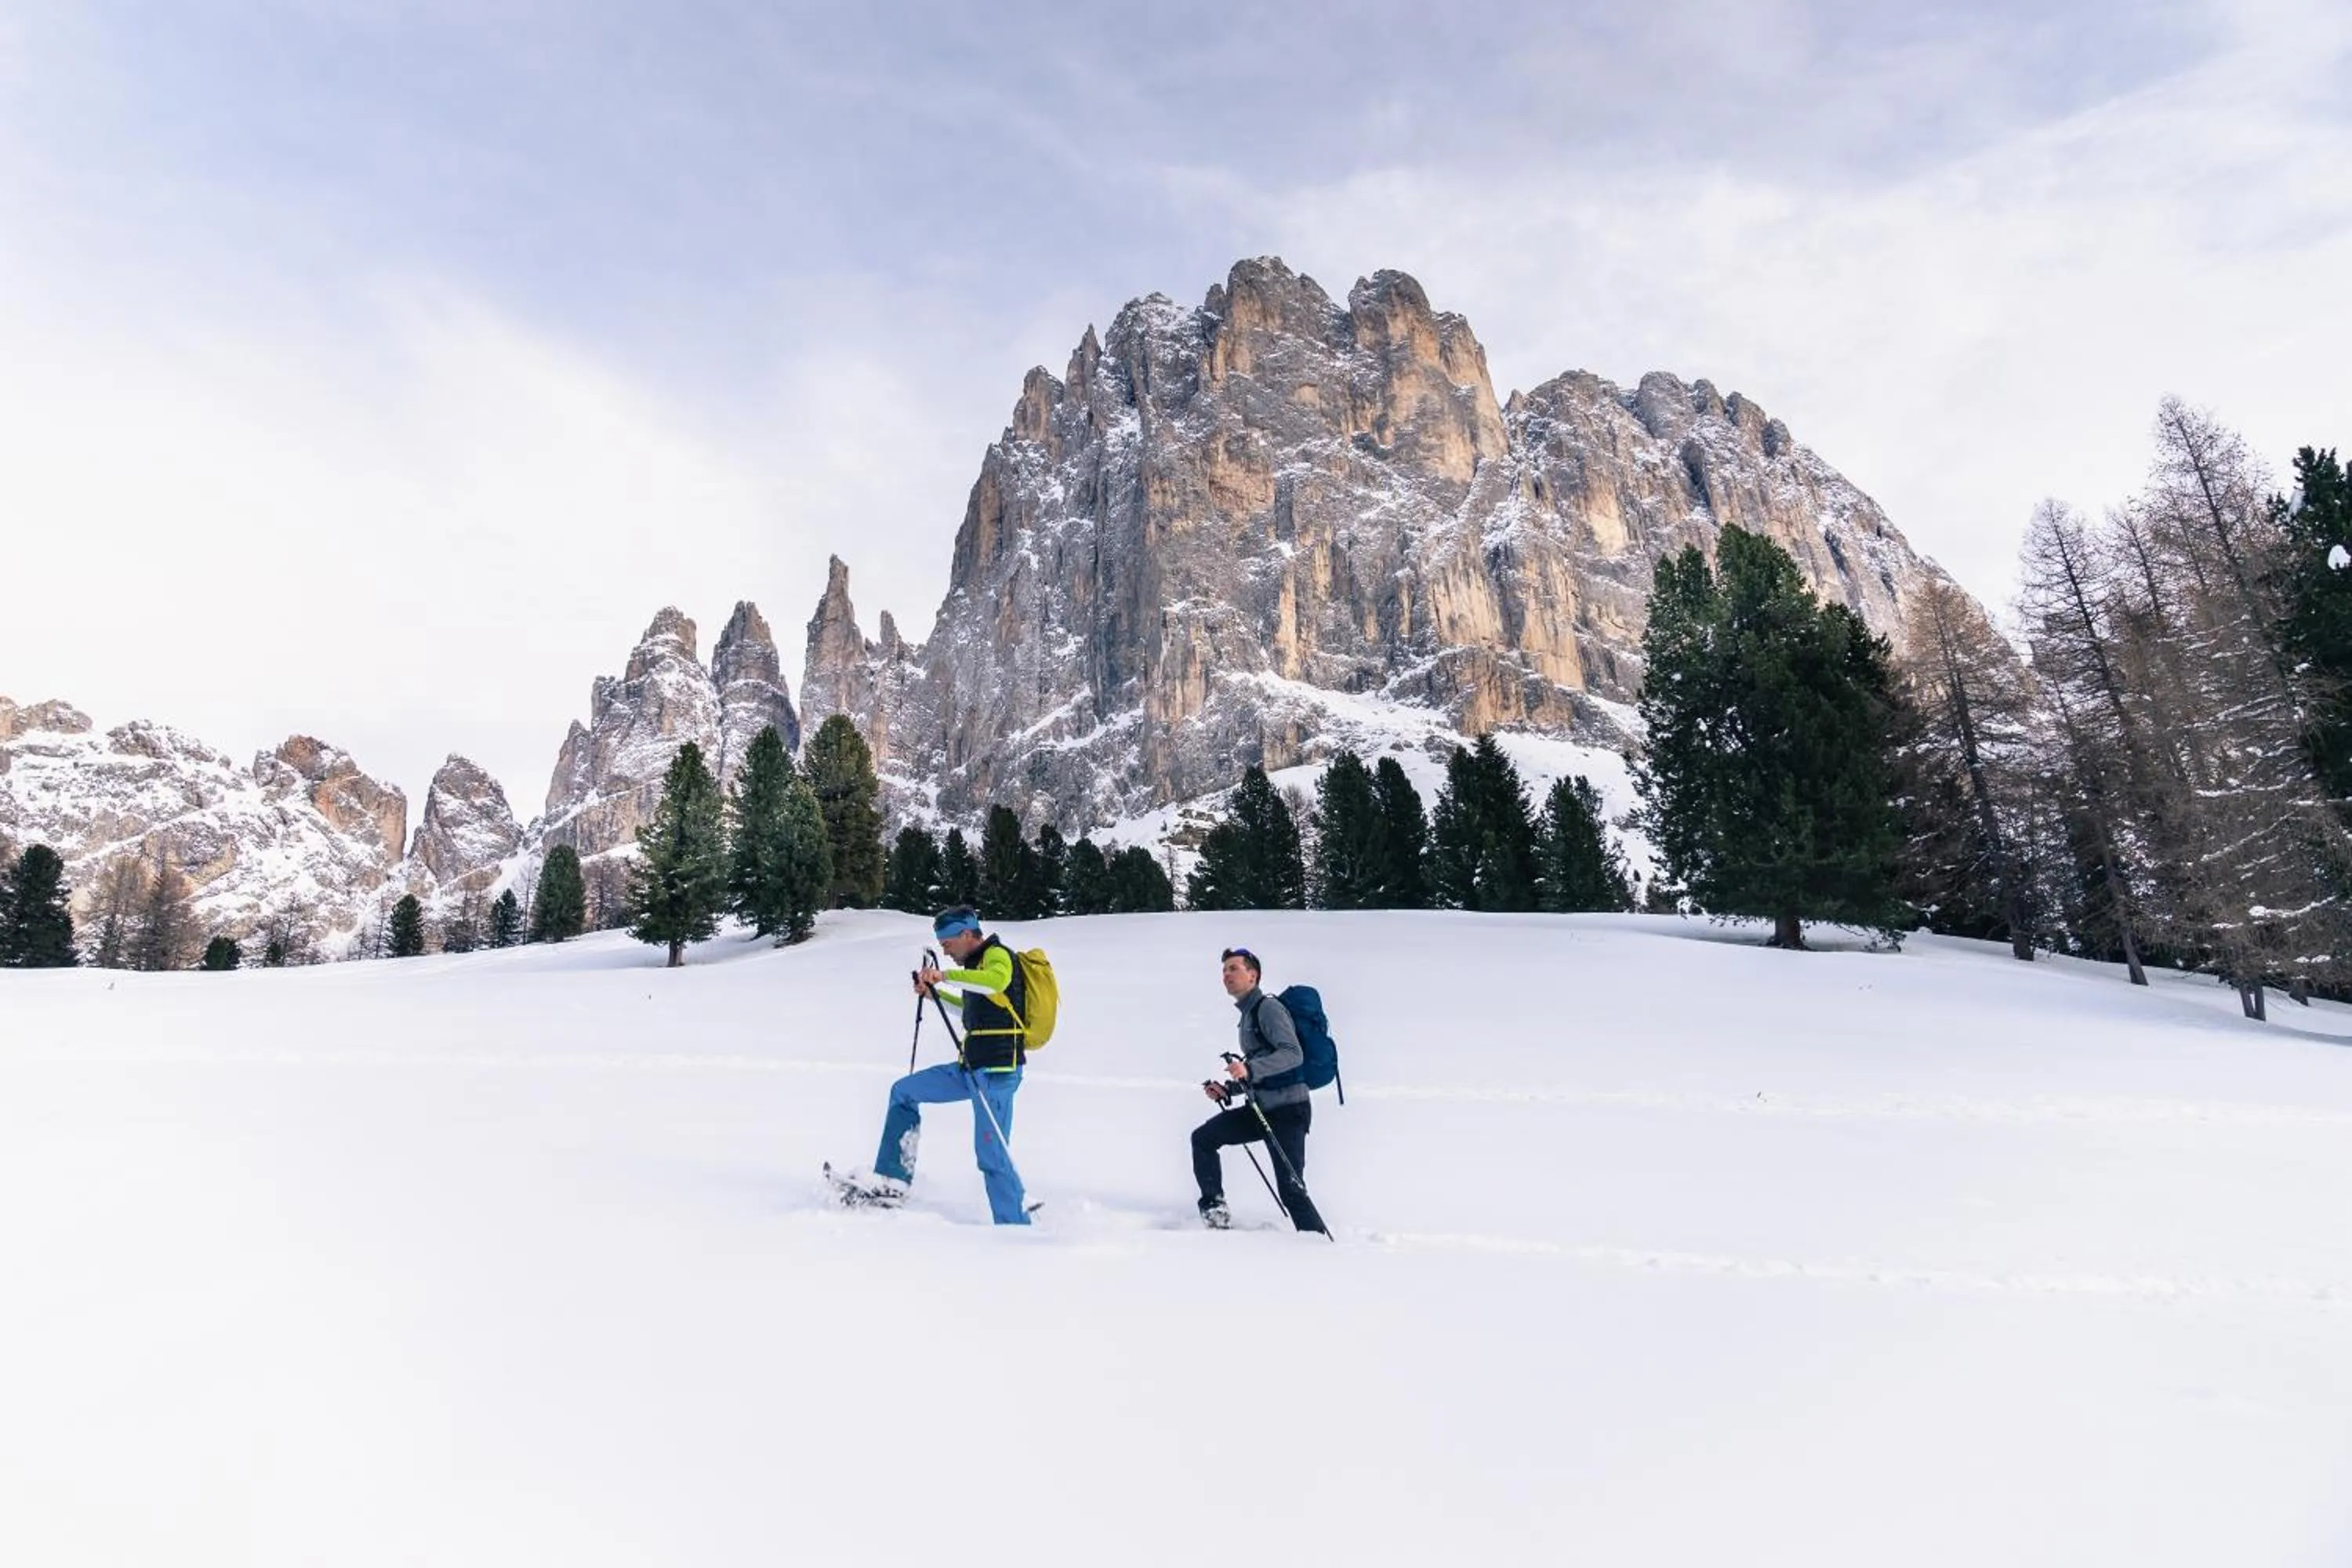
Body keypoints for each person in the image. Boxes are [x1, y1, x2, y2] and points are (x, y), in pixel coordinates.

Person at [859, 906, 1032, 1225]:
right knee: (904, 1092)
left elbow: (996, 982)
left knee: (992, 1156)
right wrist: (933, 995)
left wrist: (944, 975)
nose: (945, 951)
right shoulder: (975, 965)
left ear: (968, 934)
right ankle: (892, 1181)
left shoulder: (998, 955)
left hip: (997, 1073)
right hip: (969, 1069)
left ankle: (1015, 1227)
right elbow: (971, 1010)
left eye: (948, 944)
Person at [1192, 946, 1327, 1234]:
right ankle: (1215, 1211)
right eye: (1225, 969)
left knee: (1291, 1190)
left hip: (1289, 1111)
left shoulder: (1269, 1008)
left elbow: (1293, 1054)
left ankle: (1316, 1246)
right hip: (1262, 1109)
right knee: (1203, 1139)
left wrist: (1250, 1070)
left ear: (1253, 976)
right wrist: (1229, 1089)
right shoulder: (1248, 1014)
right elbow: (1260, 1065)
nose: (1226, 974)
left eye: (1234, 968)